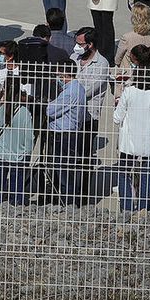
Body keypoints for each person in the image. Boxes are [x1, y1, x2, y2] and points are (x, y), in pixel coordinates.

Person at [112, 44, 150, 212]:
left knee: (124, 173)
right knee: (148, 176)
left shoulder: (129, 92)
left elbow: (116, 118)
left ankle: (127, 208)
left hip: (129, 143)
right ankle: (144, 209)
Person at [0, 40, 34, 205]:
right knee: (12, 183)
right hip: (15, 151)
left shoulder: (24, 73)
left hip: (1, 148)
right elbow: (29, 137)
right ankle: (15, 205)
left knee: (2, 182)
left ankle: (2, 205)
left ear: (11, 55)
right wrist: (26, 153)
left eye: (2, 53)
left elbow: (28, 97)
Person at [44, 61, 89, 205]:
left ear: (64, 74)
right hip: (70, 133)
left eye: (59, 74)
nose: (57, 77)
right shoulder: (78, 87)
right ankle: (67, 201)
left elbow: (50, 111)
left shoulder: (70, 92)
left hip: (64, 135)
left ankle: (67, 203)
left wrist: (49, 102)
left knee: (64, 172)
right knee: (67, 171)